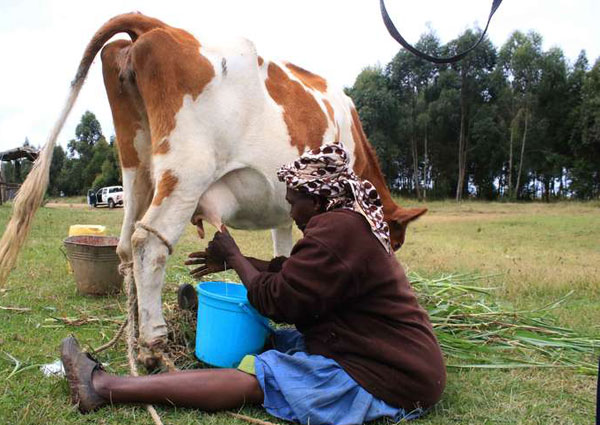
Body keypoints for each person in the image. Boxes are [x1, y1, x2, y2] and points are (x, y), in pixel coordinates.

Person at [60, 142, 446, 425]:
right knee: (274, 340)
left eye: (295, 201)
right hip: (384, 353)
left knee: (264, 376)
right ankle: (208, 322)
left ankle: (105, 386)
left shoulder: (336, 230)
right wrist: (236, 262)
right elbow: (292, 271)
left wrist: (234, 256)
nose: (291, 212)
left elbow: (275, 300)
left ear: (318, 198)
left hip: (387, 377)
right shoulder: (346, 222)